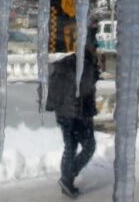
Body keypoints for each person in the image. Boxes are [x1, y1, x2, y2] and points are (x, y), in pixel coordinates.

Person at [46, 25, 101, 198]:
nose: (97, 49)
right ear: (89, 47)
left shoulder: (72, 61)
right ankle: (67, 178)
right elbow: (85, 90)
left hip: (65, 112)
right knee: (87, 146)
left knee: (71, 147)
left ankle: (67, 180)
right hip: (75, 114)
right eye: (95, 46)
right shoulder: (85, 65)